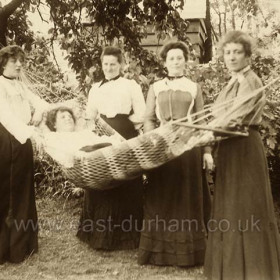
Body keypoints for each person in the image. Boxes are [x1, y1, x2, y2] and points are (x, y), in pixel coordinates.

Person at [204, 31, 280, 280]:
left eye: (237, 52)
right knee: (230, 205)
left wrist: (208, 134)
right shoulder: (232, 82)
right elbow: (218, 115)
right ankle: (231, 267)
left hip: (244, 148)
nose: (232, 57)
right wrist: (211, 134)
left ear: (247, 55)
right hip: (229, 148)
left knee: (246, 206)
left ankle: (254, 270)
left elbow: (238, 118)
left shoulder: (251, 81)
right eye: (228, 52)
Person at [138, 41, 213, 266]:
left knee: (186, 198)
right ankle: (158, 251)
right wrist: (153, 142)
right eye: (171, 58)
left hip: (189, 146)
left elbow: (201, 120)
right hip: (163, 145)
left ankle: (189, 252)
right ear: (165, 62)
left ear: (186, 61)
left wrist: (207, 151)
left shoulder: (193, 87)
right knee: (162, 196)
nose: (176, 62)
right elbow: (149, 118)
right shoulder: (156, 87)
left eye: (180, 58)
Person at [77, 46, 146, 250]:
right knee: (102, 179)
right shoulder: (96, 87)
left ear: (121, 65)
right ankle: (99, 234)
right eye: (105, 64)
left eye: (113, 64)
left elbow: (141, 113)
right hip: (101, 136)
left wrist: (123, 123)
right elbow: (90, 114)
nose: (108, 68)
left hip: (124, 133)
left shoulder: (130, 85)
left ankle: (126, 235)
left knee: (124, 179)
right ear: (101, 65)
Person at [0, 45, 48, 264]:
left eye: (21, 60)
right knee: (7, 192)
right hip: (6, 141)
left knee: (23, 190)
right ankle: (6, 249)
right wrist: (31, 133)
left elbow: (41, 103)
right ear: (3, 63)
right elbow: (6, 117)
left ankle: (23, 245)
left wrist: (38, 112)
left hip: (22, 141)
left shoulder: (19, 85)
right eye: (14, 61)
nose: (19, 64)